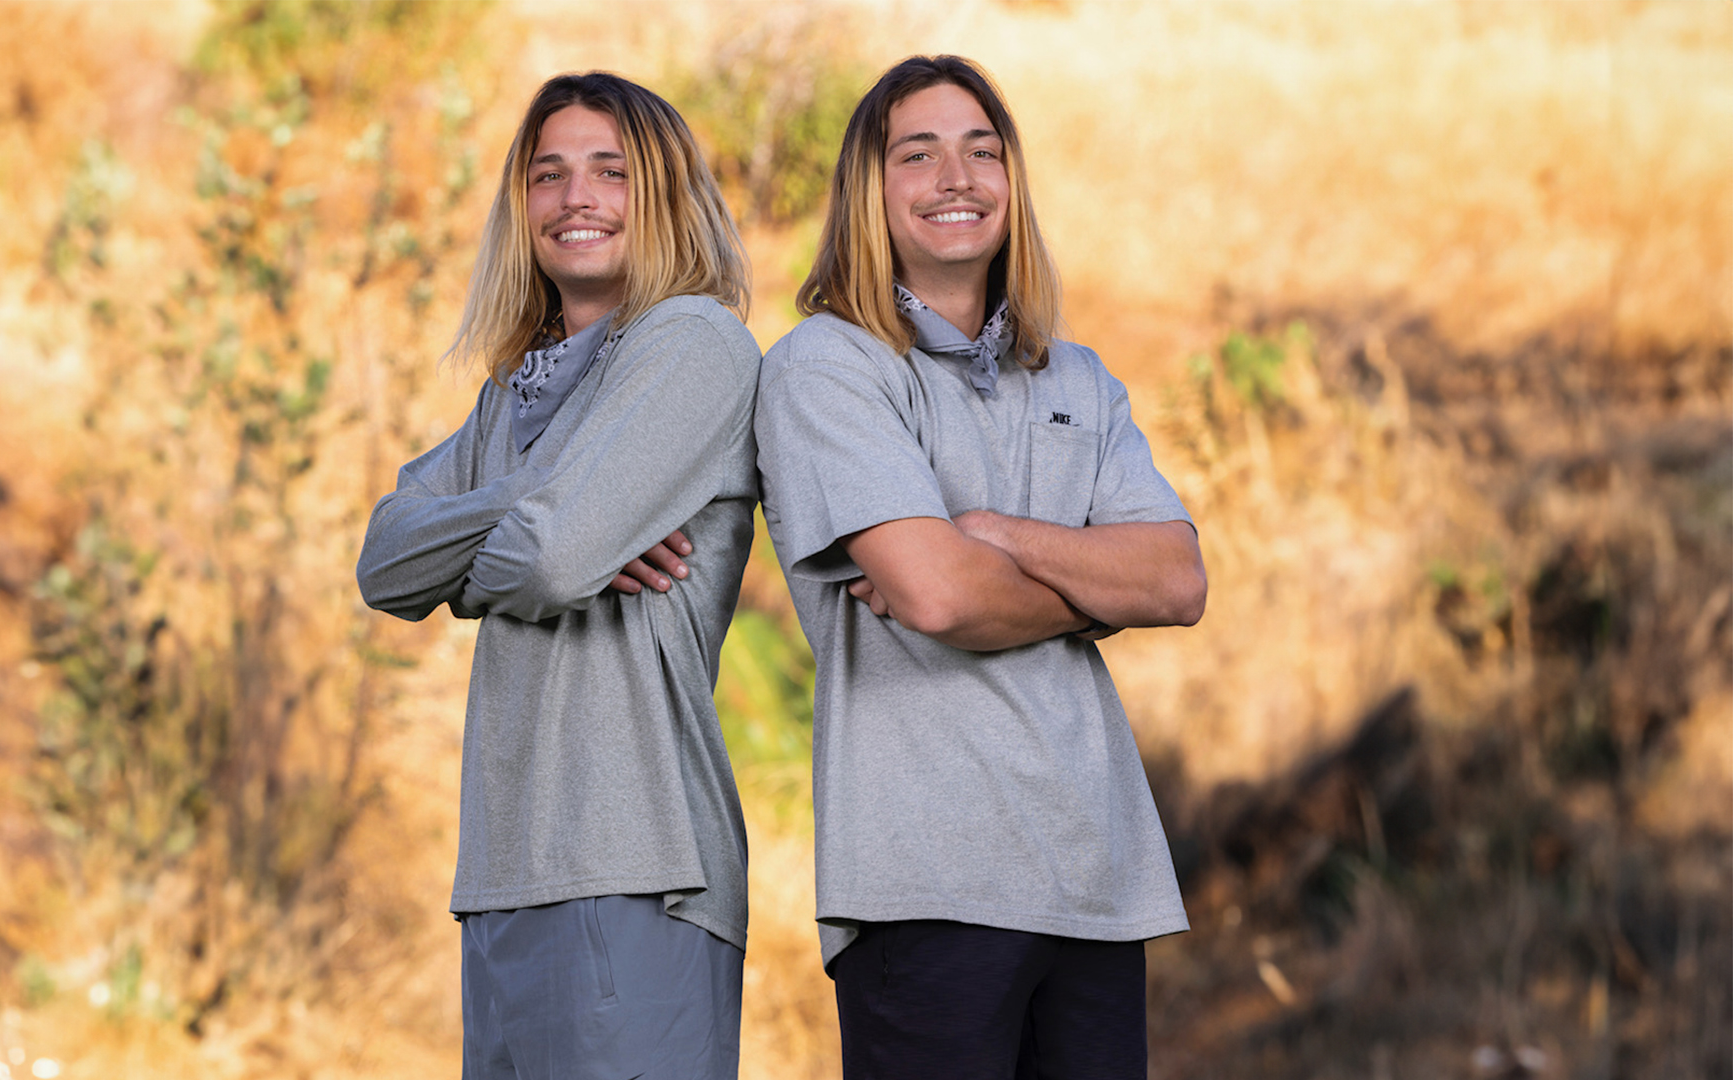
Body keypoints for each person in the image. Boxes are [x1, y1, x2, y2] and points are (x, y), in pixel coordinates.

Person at [753, 55, 1208, 1079]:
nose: (956, 177)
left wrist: (997, 532)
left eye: (982, 151)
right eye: (918, 154)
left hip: (1098, 876)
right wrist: (1095, 582)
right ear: (871, 194)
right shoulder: (828, 367)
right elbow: (936, 592)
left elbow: (1178, 582)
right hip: (928, 884)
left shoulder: (1077, 377)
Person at [356, 72, 760, 1079]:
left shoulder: (693, 341)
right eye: (548, 175)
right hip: (504, 871)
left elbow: (553, 557)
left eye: (610, 171)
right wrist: (555, 498)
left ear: (661, 193)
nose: (575, 197)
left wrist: (530, 534)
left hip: (637, 864)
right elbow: (384, 559)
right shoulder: (515, 393)